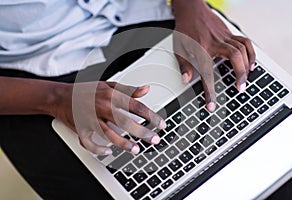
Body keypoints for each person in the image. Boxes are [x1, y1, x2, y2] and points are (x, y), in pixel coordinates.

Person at [0, 0, 255, 199]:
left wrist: (192, 7)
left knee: (266, 142)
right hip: (31, 79)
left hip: (144, 11)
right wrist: (55, 98)